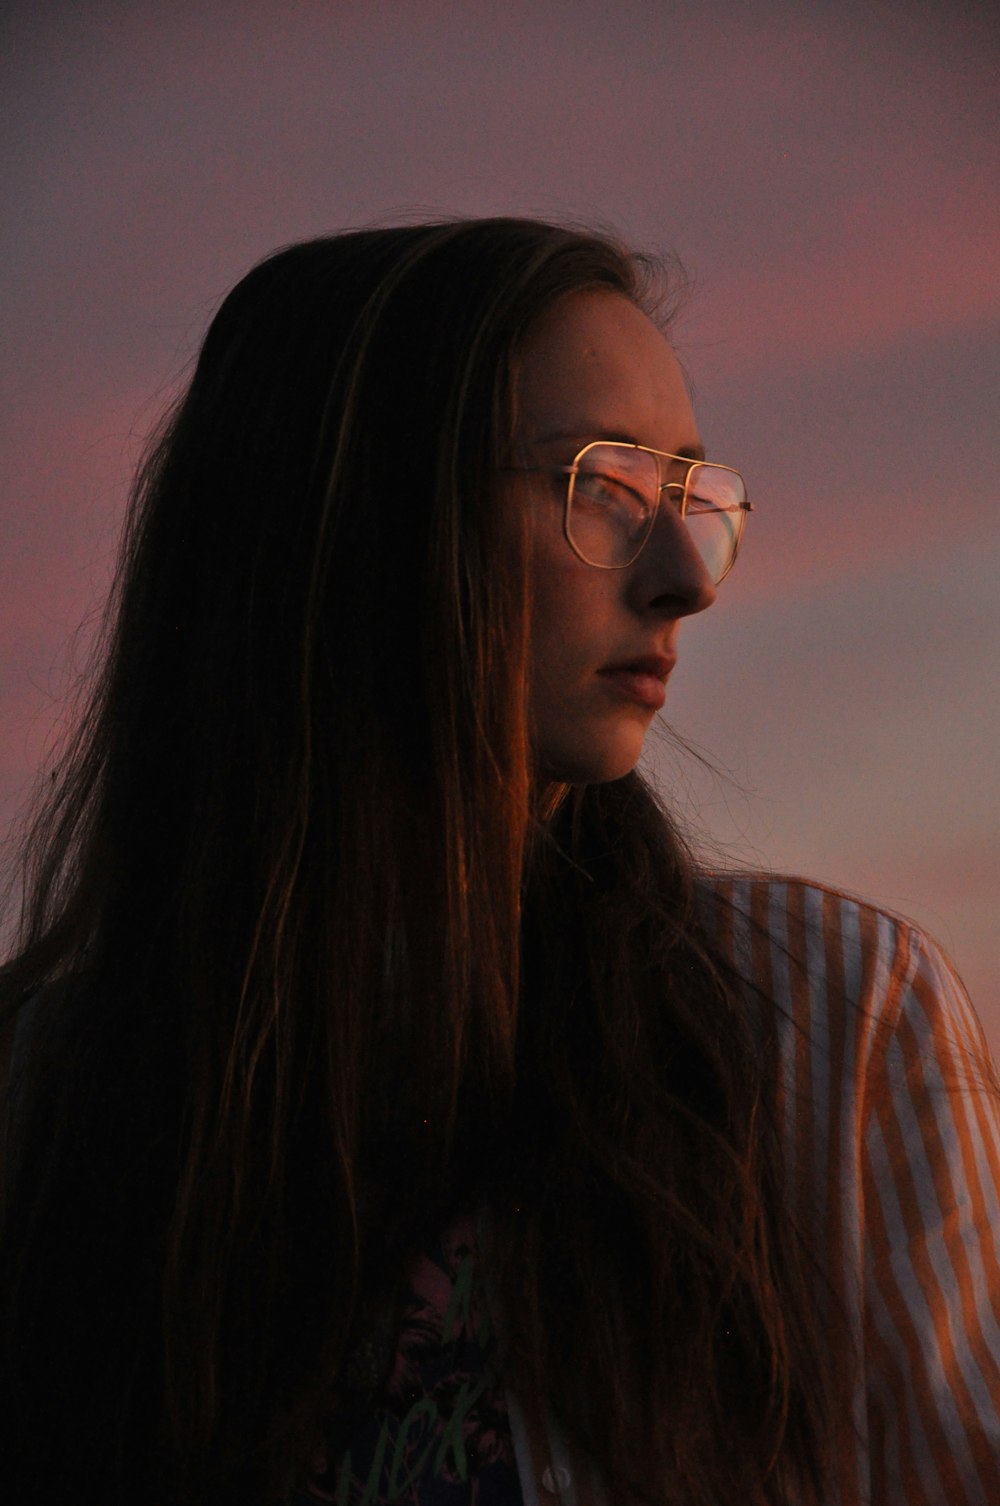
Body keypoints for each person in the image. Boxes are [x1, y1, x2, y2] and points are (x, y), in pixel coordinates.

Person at [0, 218, 997, 1506]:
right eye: (605, 484)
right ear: (353, 515)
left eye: (694, 494)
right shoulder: (42, 1099)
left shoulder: (832, 1020)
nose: (688, 578)